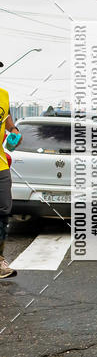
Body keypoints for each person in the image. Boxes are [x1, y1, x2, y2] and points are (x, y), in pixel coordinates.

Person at [0, 72, 18, 279]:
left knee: (3, 211)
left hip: (1, 165)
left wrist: (15, 131)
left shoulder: (3, 95)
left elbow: (7, 121)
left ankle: (0, 261)